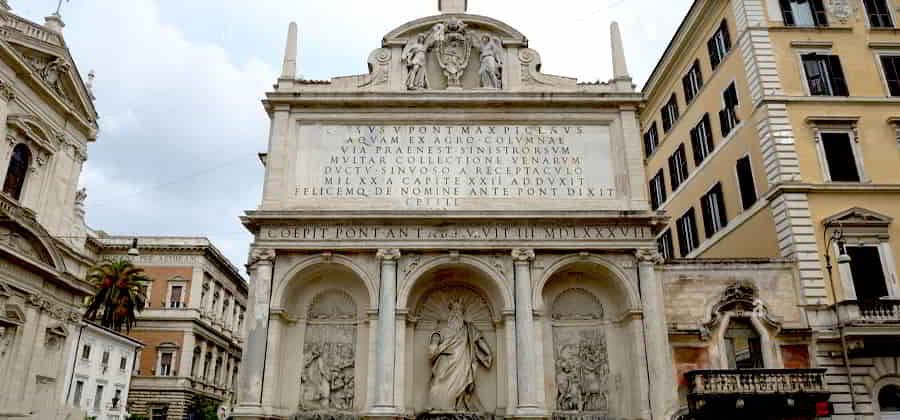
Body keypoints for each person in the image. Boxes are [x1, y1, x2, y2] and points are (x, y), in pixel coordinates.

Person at [426, 299, 493, 412]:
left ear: (462, 314)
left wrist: (488, 353)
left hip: (462, 362)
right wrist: (433, 347)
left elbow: (479, 340)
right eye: (454, 311)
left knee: (461, 385)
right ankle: (437, 406)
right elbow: (434, 341)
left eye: (459, 311)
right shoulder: (442, 330)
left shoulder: (469, 329)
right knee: (436, 384)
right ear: (450, 314)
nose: (456, 313)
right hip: (444, 361)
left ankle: (458, 406)